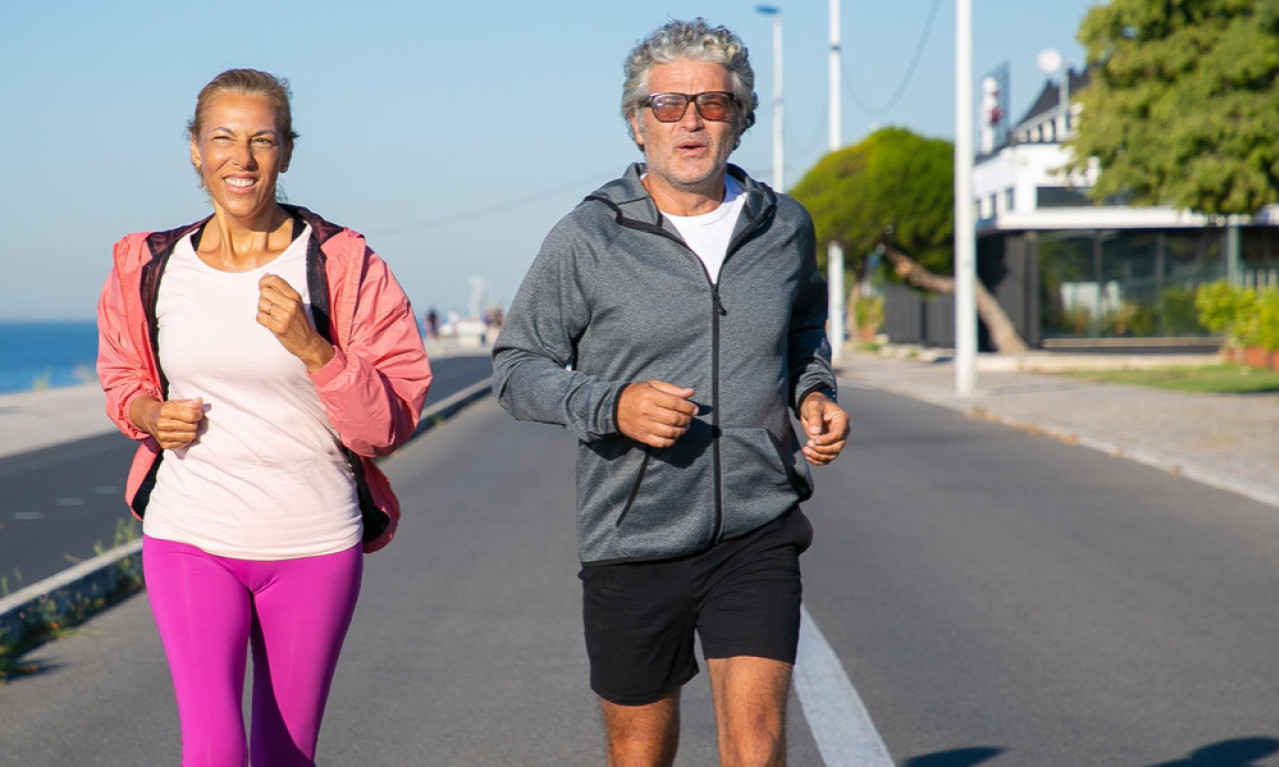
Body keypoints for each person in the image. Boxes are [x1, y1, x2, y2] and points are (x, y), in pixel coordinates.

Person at [491, 18, 849, 767]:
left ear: (740, 120)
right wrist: (610, 405)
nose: (690, 120)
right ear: (636, 122)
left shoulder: (783, 227)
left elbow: (803, 327)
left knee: (756, 746)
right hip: (632, 535)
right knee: (639, 752)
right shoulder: (588, 236)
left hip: (756, 527)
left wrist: (813, 389)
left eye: (712, 104)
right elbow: (517, 365)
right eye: (667, 104)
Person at [96, 68, 430, 766]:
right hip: (191, 533)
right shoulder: (147, 265)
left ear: (286, 151)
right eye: (221, 138)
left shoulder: (343, 265)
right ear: (194, 149)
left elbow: (388, 425)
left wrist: (316, 350)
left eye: (261, 140)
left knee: (284, 755)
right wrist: (147, 413)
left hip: (312, 540)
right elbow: (121, 376)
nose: (240, 160)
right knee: (214, 748)